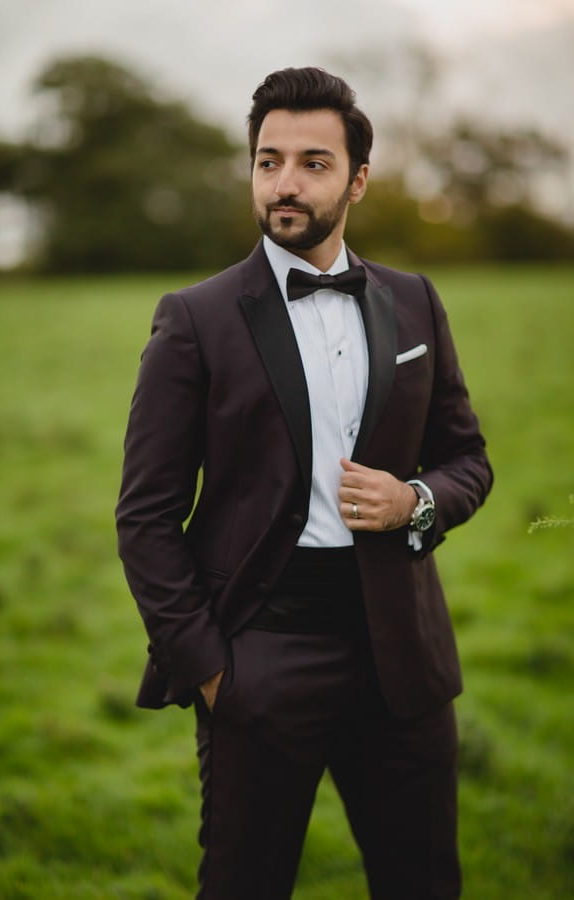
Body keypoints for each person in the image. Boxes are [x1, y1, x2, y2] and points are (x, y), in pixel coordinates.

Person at [116, 66, 492, 900]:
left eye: (313, 162)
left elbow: (469, 459)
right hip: (259, 658)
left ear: (358, 178)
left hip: (404, 661)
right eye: (267, 160)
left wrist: (414, 501)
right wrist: (212, 671)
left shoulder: (415, 301)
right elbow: (144, 518)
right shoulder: (195, 318)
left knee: (425, 882)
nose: (284, 182)